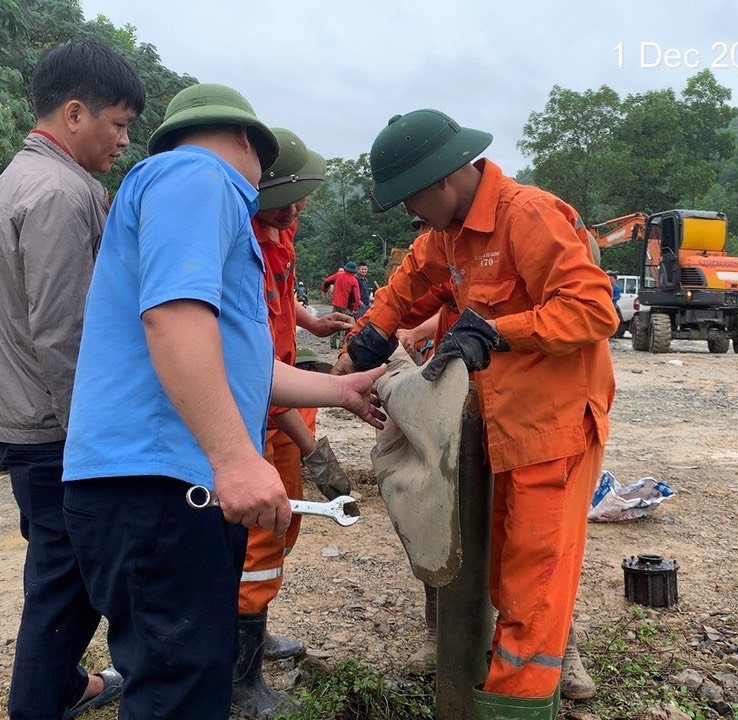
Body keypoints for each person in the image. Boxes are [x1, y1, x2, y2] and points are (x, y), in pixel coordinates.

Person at [59, 83, 386, 720]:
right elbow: (175, 319)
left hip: (153, 489)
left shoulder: (192, 193)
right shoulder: (198, 176)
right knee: (178, 691)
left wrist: (340, 391)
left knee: (184, 678)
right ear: (245, 140)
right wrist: (237, 458)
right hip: (159, 488)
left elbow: (237, 366)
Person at [334, 109, 618, 719]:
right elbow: (410, 283)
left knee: (533, 590)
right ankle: (506, 682)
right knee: (502, 573)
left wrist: (495, 332)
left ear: (442, 180)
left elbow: (595, 309)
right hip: (503, 430)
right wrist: (369, 340)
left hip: (555, 430)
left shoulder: (529, 216)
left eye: (412, 200)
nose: (412, 214)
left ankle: (519, 703)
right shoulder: (448, 235)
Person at [0, 39, 141, 720]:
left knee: (58, 571)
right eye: (119, 124)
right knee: (66, 586)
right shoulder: (63, 194)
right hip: (54, 429)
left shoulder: (20, 177)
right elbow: (65, 331)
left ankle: (64, 685)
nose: (123, 141)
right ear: (76, 114)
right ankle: (39, 704)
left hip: (26, 420)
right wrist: (97, 439)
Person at [237, 127, 355, 716]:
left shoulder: (279, 235)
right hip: (260, 414)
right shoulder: (242, 247)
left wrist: (311, 323)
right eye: (296, 197)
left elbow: (284, 302)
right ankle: (239, 677)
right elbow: (254, 371)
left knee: (283, 526)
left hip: (283, 401)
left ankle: (253, 634)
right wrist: (314, 447)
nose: (302, 208)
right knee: (258, 538)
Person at [321, 262, 362, 347]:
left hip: (336, 304)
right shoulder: (354, 280)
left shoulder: (338, 275)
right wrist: (356, 308)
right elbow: (356, 296)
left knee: (334, 323)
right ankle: (341, 345)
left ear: (346, 268)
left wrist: (324, 290)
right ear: (354, 271)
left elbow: (327, 281)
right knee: (345, 325)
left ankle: (332, 344)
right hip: (347, 307)